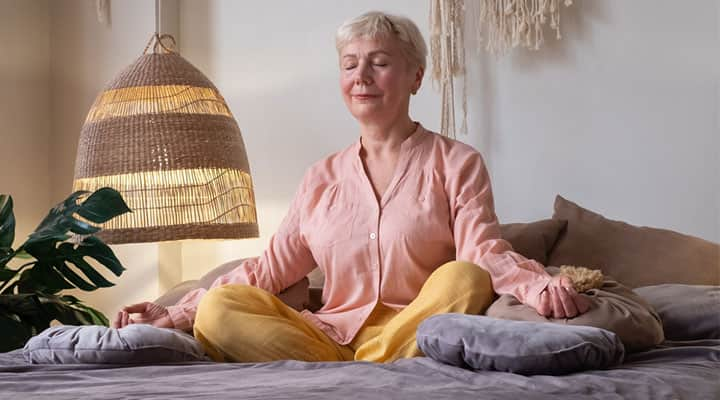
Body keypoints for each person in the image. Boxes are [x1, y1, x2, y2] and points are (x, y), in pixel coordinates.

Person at [113, 11, 590, 363]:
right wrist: (178, 312)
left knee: (464, 278)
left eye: (378, 63)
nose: (360, 76)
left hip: (416, 326)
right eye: (349, 64)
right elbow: (268, 269)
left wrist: (536, 284)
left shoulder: (456, 162)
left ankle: (368, 366)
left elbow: (483, 252)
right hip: (327, 338)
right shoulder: (321, 178)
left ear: (416, 76)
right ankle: (365, 368)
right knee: (219, 307)